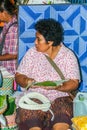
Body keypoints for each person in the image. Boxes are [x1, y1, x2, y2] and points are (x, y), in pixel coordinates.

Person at [15, 18, 81, 130]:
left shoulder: (68, 56)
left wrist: (59, 87)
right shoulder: (32, 53)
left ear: (50, 42)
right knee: (32, 118)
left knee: (62, 117)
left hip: (60, 97)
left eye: (38, 39)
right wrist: (26, 81)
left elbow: (74, 83)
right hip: (35, 96)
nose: (35, 42)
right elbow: (19, 76)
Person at [0, 0, 18, 75]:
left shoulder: (13, 29)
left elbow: (13, 55)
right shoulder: (7, 25)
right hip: (5, 68)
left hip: (10, 71)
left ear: (4, 12)